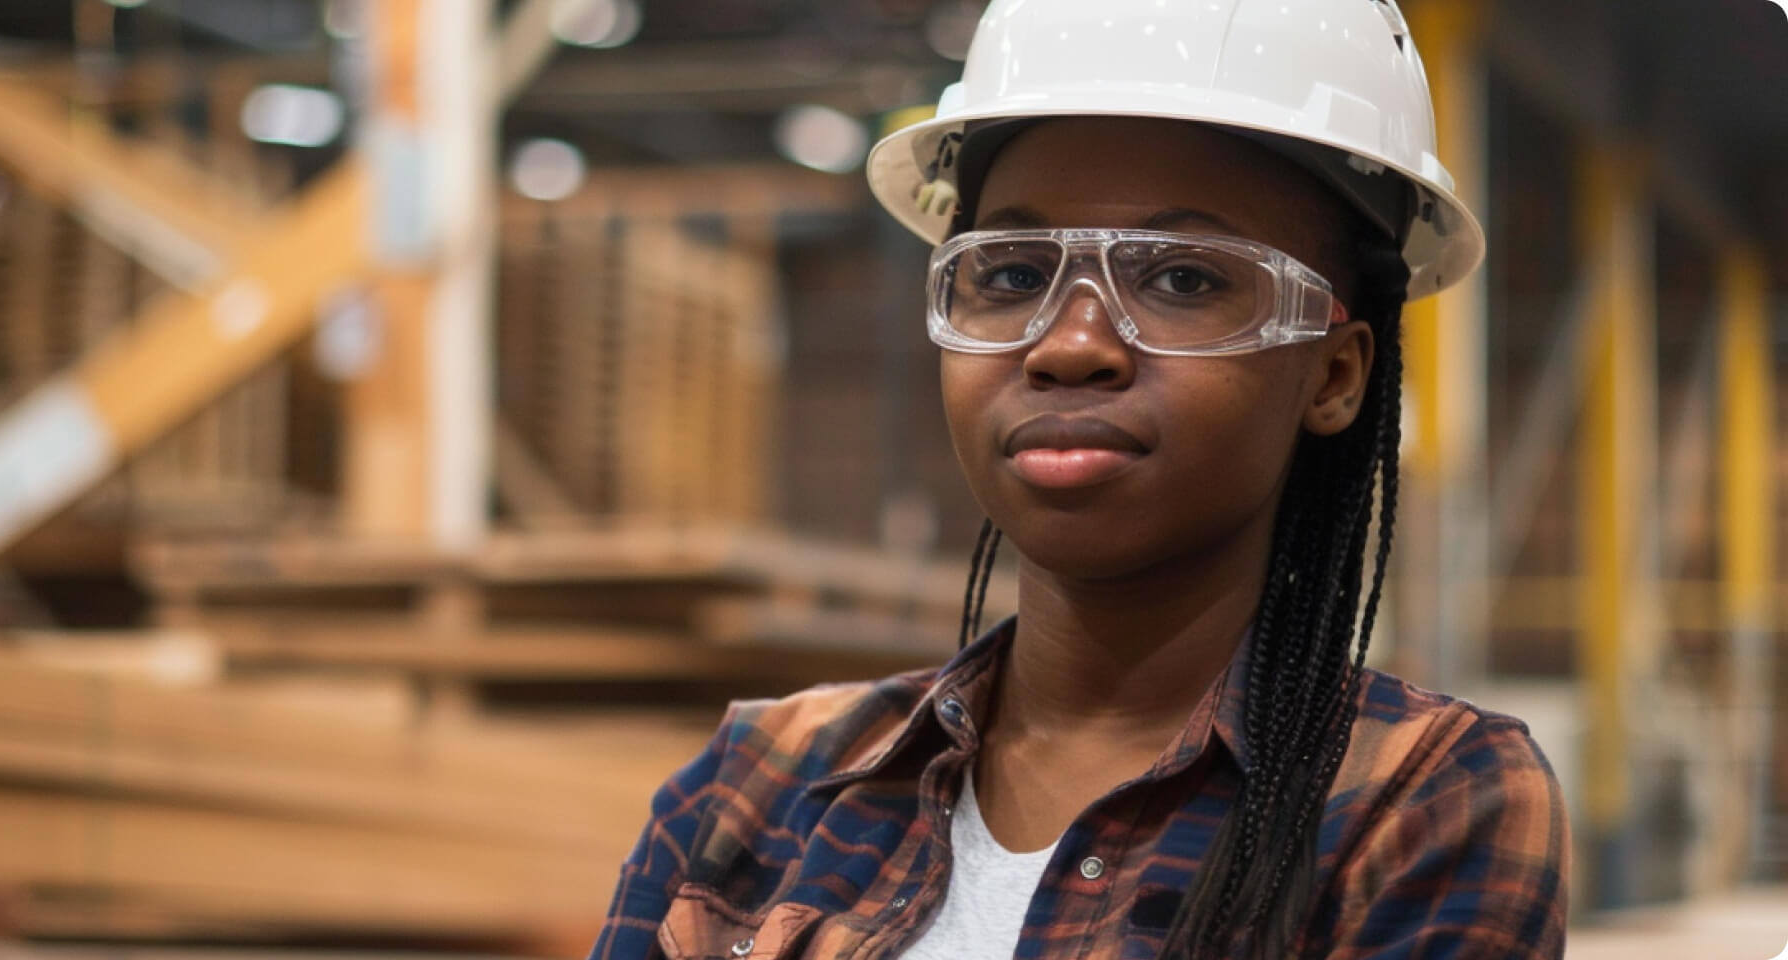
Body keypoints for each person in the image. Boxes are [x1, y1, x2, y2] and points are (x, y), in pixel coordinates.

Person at [590, 1, 1568, 957]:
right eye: (1012, 275)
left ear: (1334, 373)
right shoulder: (760, 783)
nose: (1070, 346)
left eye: (1182, 279)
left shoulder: (1421, 805)